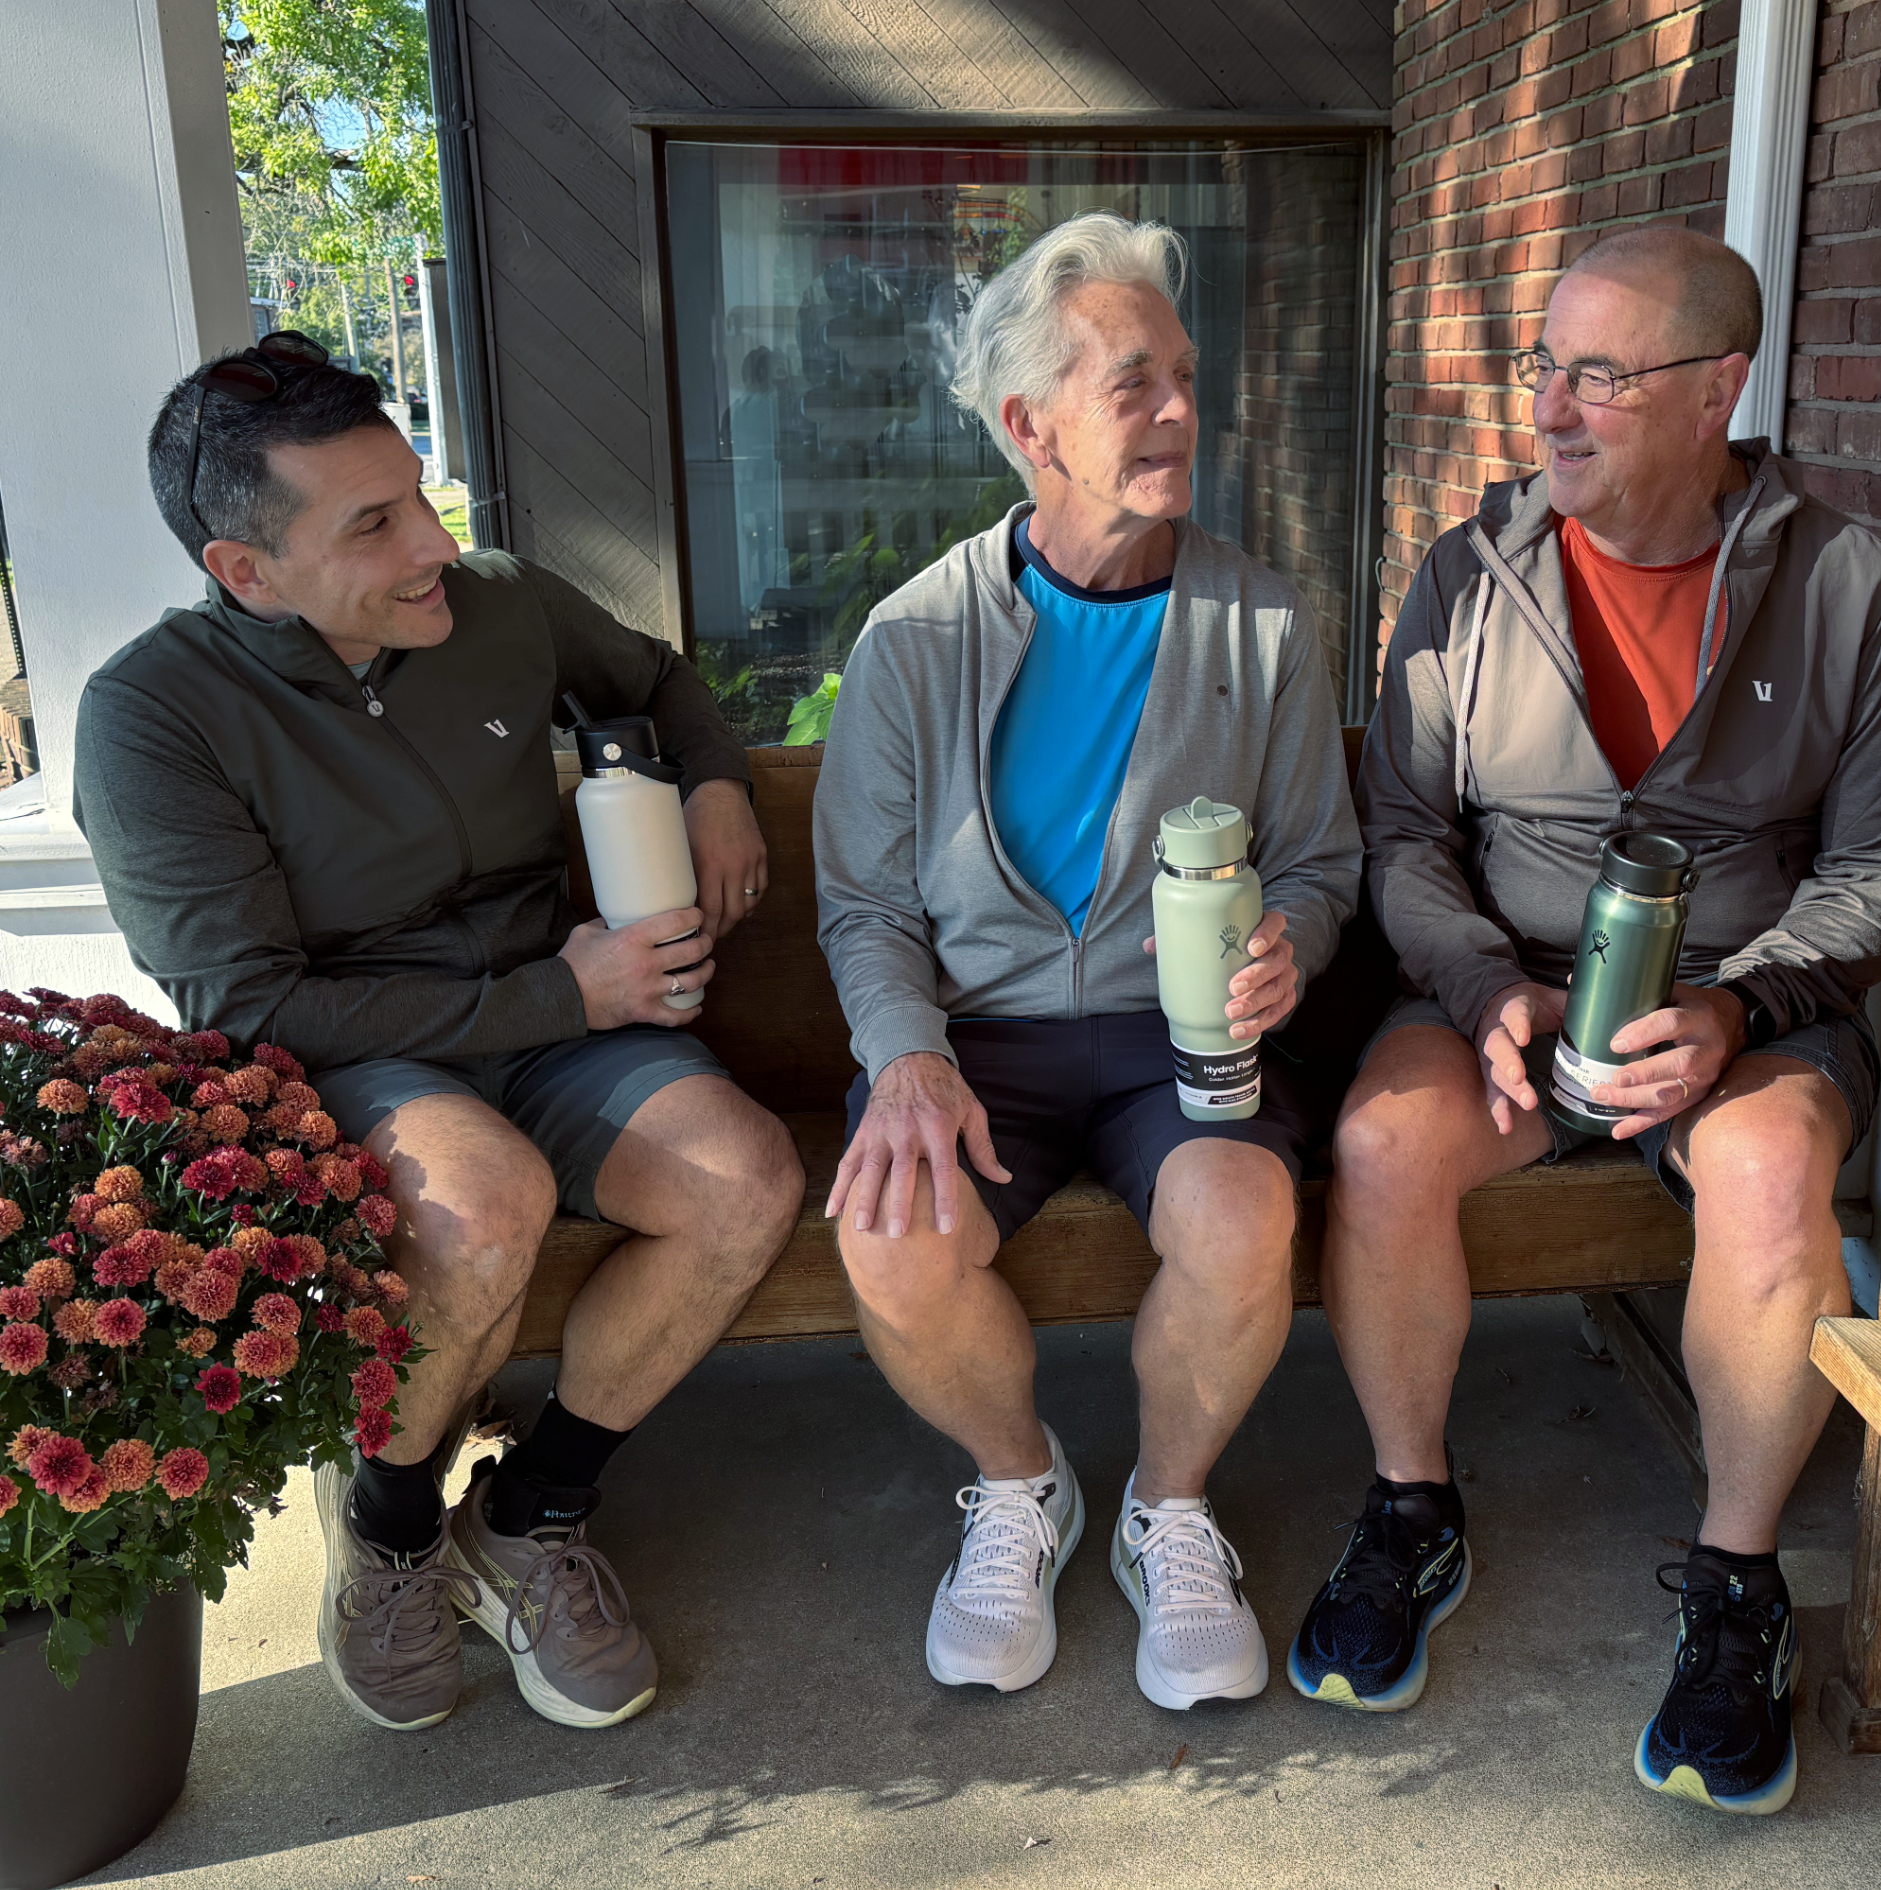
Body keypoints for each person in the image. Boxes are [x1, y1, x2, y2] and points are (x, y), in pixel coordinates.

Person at [1292, 229, 1881, 1814]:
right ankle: (1408, 1507)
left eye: (1601, 374)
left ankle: (1737, 1592)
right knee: (1381, 1143)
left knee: (1778, 1177)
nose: (1554, 413)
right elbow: (1402, 835)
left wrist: (1735, 1008)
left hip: (1745, 1002)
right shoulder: (1471, 571)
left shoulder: (1845, 584)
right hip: (1503, 989)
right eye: (1545, 368)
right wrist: (1479, 987)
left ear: (1722, 387)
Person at [76, 338, 805, 1733]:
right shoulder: (149, 716)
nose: (436, 544)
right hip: (361, 1046)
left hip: (556, 1008)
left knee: (745, 1181)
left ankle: (528, 1516)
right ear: (247, 570)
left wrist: (713, 783)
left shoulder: (504, 604)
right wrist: (566, 997)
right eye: (375, 524)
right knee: (480, 1212)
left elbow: (654, 681)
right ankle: (395, 1529)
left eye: (418, 494)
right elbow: (250, 1010)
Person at [814, 214, 1362, 1710]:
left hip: (1180, 1038)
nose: (1183, 409)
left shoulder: (1257, 620)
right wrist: (904, 1056)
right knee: (890, 1237)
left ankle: (1166, 1511)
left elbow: (1319, 858)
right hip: (977, 1043)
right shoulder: (913, 638)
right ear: (1029, 425)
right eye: (1137, 384)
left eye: (1186, 376)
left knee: (1243, 1216)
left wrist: (1286, 948)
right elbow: (862, 903)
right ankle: (1019, 1487)